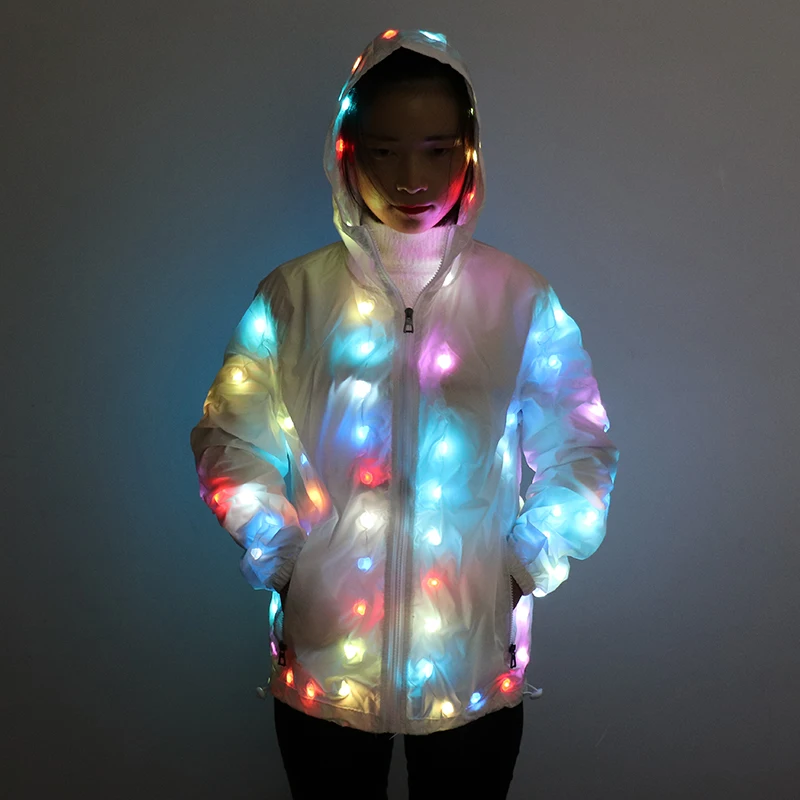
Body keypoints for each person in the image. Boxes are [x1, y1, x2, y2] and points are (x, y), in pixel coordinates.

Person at [190, 29, 620, 799]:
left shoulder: (517, 299)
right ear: (347, 153)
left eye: (436, 150)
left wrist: (523, 568)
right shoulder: (295, 298)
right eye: (384, 152)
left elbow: (581, 448)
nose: (411, 178)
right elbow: (229, 438)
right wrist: (283, 558)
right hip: (326, 672)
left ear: (469, 152)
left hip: (471, 675)